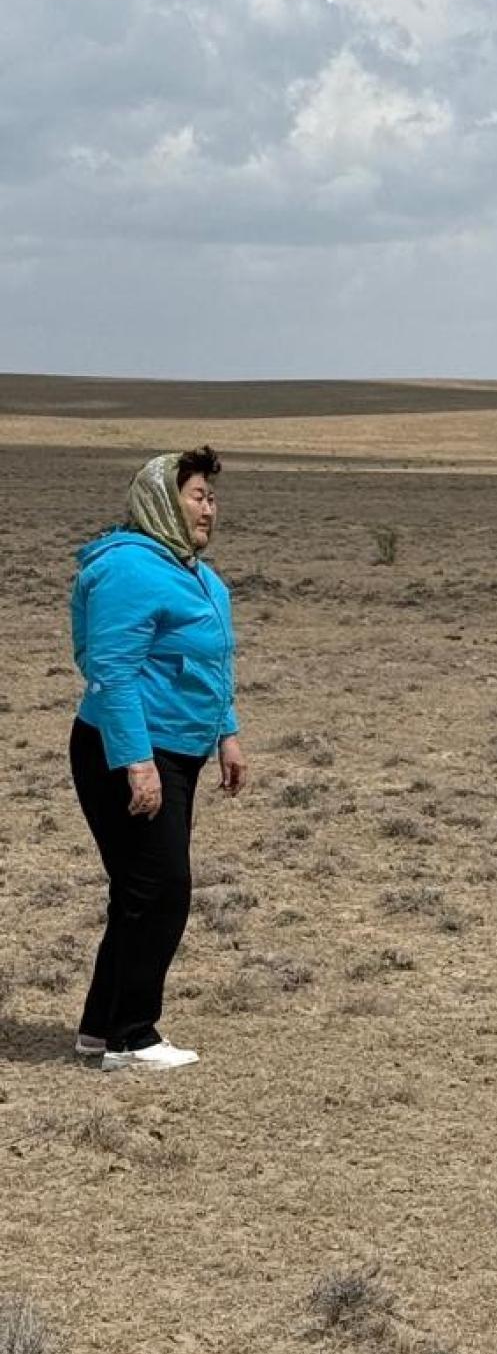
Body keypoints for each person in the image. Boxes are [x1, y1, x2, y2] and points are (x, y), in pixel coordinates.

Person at [68, 446, 247, 1069]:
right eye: (197, 496)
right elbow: (112, 672)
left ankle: (101, 1028)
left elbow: (213, 661)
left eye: (212, 497)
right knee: (163, 890)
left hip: (178, 748)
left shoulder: (195, 572)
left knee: (139, 891)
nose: (209, 509)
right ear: (162, 501)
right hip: (130, 750)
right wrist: (137, 763)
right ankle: (133, 1036)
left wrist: (226, 733)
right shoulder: (130, 568)